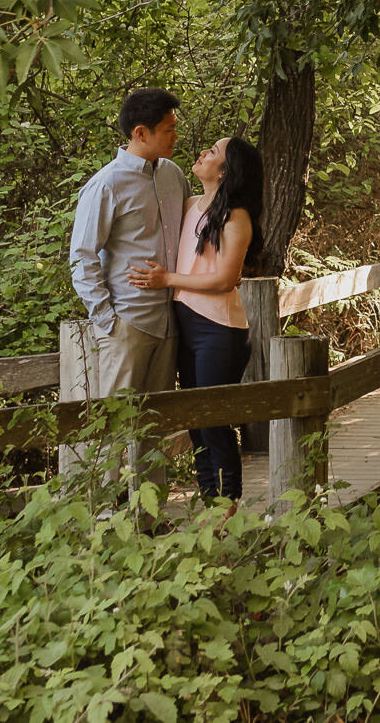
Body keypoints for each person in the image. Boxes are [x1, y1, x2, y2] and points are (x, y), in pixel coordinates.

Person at [127, 134, 261, 502]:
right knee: (194, 420)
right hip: (185, 324)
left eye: (214, 152)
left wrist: (166, 279)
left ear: (225, 171)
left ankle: (228, 503)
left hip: (219, 330)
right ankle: (209, 501)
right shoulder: (190, 206)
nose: (203, 153)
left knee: (213, 420)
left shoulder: (236, 216)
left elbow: (225, 279)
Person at [68, 89, 189, 436]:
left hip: (169, 323)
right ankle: (106, 493)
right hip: (128, 324)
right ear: (141, 133)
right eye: (168, 130)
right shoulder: (106, 184)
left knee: (155, 432)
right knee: (113, 434)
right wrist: (108, 320)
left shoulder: (173, 175)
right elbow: (82, 256)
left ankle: (154, 494)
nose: (175, 136)